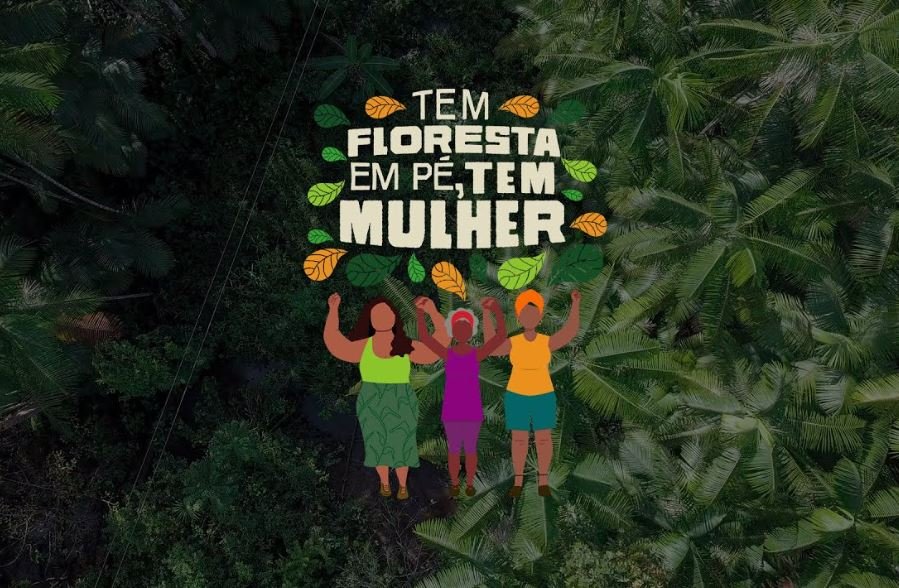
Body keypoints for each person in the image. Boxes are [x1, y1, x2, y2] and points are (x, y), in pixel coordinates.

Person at [323, 293, 448, 500]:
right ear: (371, 321)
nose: (382, 317)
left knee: (402, 445)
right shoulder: (365, 346)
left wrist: (433, 312)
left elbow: (437, 348)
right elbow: (336, 343)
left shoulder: (404, 345)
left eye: (386, 312)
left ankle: (402, 485)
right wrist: (334, 310)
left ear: (394, 318)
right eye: (377, 314)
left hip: (400, 399)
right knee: (377, 445)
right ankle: (384, 483)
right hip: (372, 400)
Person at [482, 288, 581, 498]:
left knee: (543, 438)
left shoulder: (545, 341)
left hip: (542, 395)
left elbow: (569, 332)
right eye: (525, 314)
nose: (529, 317)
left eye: (533, 314)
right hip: (517, 396)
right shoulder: (514, 342)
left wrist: (575, 304)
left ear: (540, 317)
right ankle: (518, 481)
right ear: (519, 318)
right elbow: (492, 346)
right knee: (519, 440)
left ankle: (543, 479)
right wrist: (486, 314)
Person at [415, 297, 507, 498]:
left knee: (469, 449)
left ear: (471, 331)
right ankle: (456, 483)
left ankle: (469, 482)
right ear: (454, 332)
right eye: (459, 327)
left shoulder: (474, 354)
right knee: (456, 449)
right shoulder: (450, 354)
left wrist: (495, 310)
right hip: (454, 410)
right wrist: (421, 313)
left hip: (470, 409)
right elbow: (426, 338)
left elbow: (500, 337)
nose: (462, 330)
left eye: (465, 327)